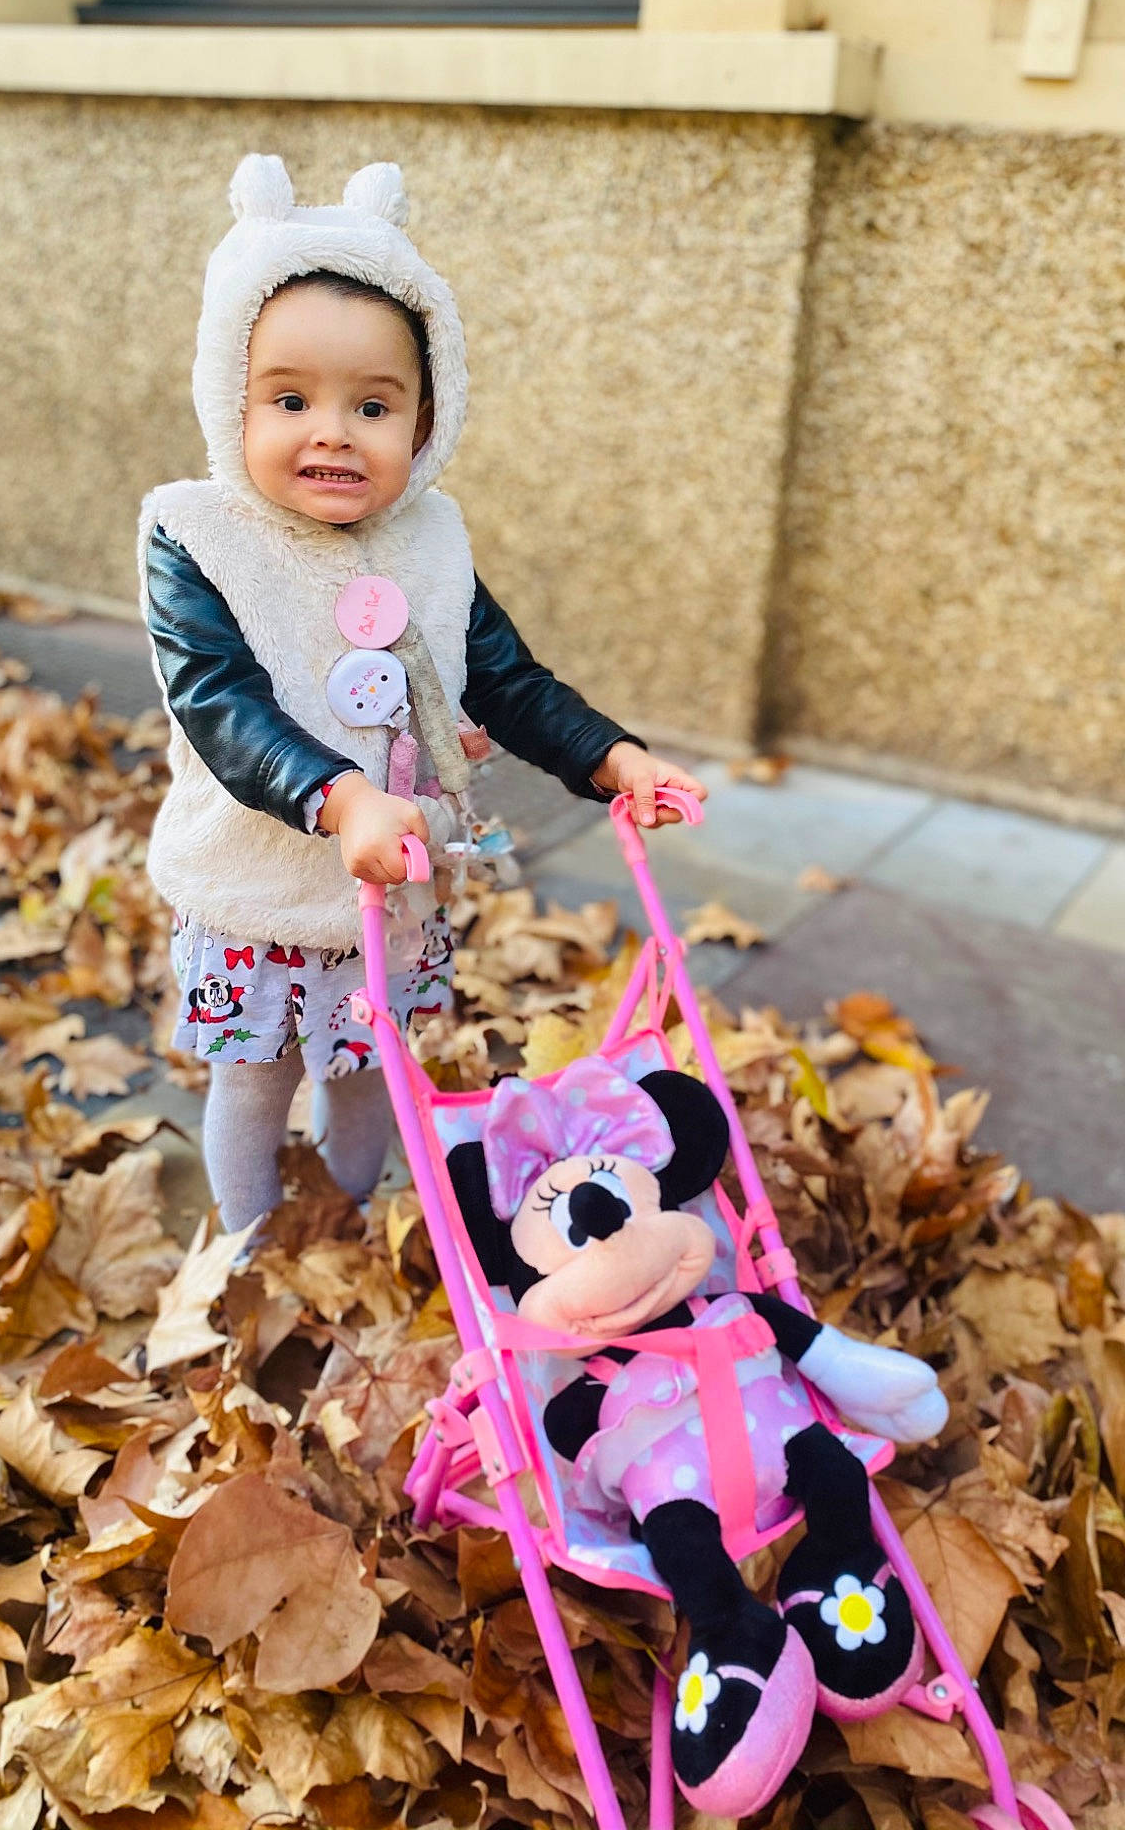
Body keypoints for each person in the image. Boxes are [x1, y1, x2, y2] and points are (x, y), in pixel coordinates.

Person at [139, 155, 704, 1233]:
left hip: (391, 889)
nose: (332, 431)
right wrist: (341, 796)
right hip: (257, 883)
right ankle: (251, 1245)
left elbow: (505, 676)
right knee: (255, 1076)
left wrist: (611, 756)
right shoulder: (200, 537)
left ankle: (348, 1218)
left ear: (425, 419)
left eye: (372, 405)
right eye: (290, 399)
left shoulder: (429, 542)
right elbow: (218, 699)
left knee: (367, 1068)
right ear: (230, 398)